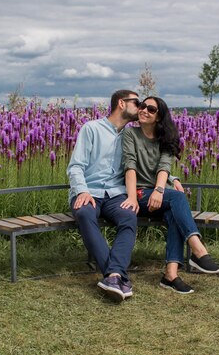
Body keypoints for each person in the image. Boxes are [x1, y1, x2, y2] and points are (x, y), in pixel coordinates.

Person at [121, 96, 219, 294]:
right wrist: (133, 197)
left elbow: (164, 167)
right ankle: (198, 250)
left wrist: (160, 189)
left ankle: (171, 275)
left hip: (157, 194)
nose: (144, 110)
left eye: (151, 109)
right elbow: (129, 166)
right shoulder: (130, 134)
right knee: (176, 197)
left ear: (159, 117)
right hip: (139, 193)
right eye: (142, 106)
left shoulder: (166, 139)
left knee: (174, 214)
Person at [67, 89, 141, 302]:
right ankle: (114, 274)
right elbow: (75, 167)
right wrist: (82, 190)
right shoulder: (91, 129)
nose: (140, 107)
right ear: (121, 103)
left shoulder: (131, 135)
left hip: (115, 194)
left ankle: (113, 275)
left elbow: (146, 165)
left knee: (129, 216)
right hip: (88, 191)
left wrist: (172, 178)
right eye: (136, 102)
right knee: (84, 213)